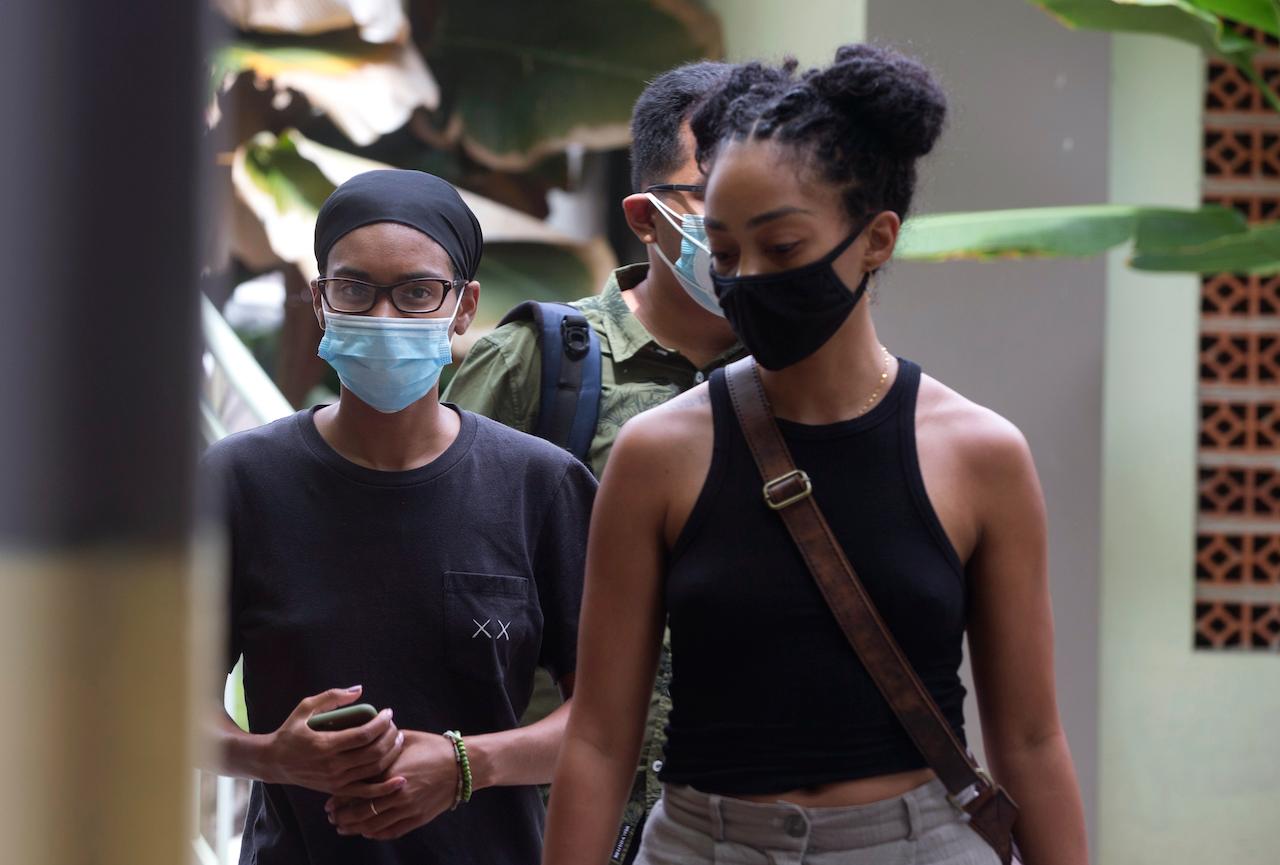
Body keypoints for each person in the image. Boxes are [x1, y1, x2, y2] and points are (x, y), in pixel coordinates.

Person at [543, 45, 1089, 865]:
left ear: (876, 239)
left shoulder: (980, 455)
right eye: (725, 253)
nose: (746, 278)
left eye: (784, 247)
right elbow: (597, 737)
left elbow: (1032, 740)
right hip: (704, 846)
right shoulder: (658, 453)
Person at [200, 169, 596, 865]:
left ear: (465, 306)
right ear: (320, 300)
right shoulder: (241, 480)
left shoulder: (540, 485)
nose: (384, 317)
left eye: (417, 292)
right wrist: (270, 756)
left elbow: (606, 718)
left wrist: (467, 763)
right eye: (355, 289)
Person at [444, 61, 743, 863]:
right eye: (716, 198)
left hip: (737, 825)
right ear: (647, 216)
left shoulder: (801, 380)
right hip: (546, 820)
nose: (744, 228)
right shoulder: (540, 363)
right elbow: (435, 579)